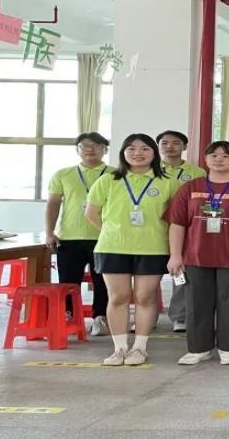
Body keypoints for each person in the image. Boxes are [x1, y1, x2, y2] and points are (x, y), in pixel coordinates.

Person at [165, 141, 229, 365]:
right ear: (205, 159)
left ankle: (228, 348)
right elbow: (177, 224)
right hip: (196, 256)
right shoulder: (190, 187)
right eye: (214, 155)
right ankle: (199, 348)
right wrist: (175, 255)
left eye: (225, 155)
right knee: (196, 303)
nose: (219, 159)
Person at [85, 134, 178, 366]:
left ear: (154, 153)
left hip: (153, 248)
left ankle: (139, 348)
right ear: (123, 153)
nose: (138, 153)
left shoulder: (168, 182)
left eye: (145, 148)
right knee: (118, 297)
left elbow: (176, 219)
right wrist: (113, 231)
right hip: (113, 247)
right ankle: (119, 349)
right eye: (131, 149)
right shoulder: (107, 180)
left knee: (145, 297)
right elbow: (91, 213)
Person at [46, 132, 111, 335]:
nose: (90, 149)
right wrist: (49, 232)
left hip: (105, 237)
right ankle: (69, 317)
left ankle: (100, 317)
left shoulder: (115, 174)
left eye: (96, 146)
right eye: (85, 146)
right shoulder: (63, 174)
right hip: (69, 237)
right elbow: (53, 205)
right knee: (68, 281)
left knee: (103, 281)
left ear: (105, 150)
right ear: (77, 150)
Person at [157, 130, 207, 332]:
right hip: (154, 228)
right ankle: (147, 316)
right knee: (149, 277)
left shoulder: (197, 172)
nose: (170, 147)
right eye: (165, 143)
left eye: (175, 143)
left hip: (184, 229)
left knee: (180, 273)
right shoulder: (150, 169)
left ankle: (180, 316)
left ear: (185, 146)